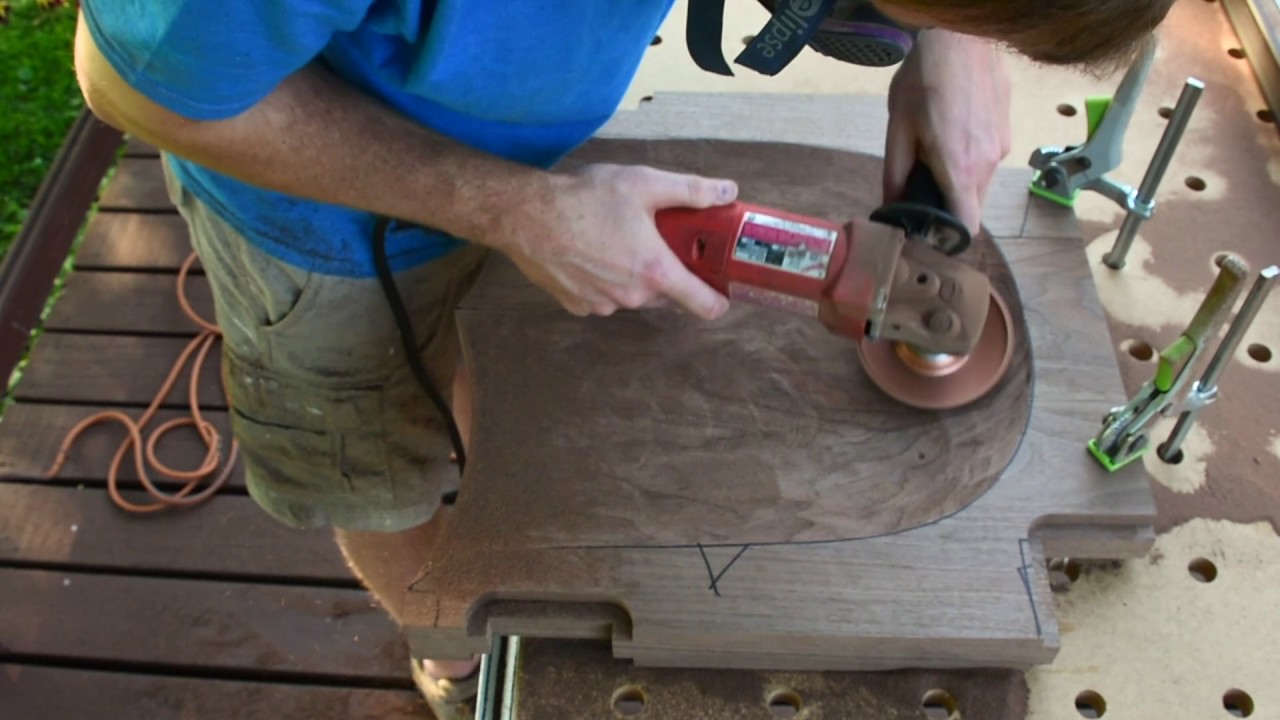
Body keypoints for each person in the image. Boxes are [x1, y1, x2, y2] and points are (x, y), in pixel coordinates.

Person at [72, 0, 1172, 717]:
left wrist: (955, 43)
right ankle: (444, 651)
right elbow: (131, 86)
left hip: (556, 150)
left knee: (500, 384)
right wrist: (505, 207)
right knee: (382, 466)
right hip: (323, 225)